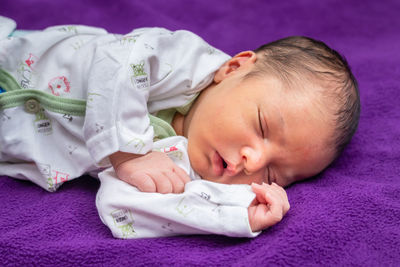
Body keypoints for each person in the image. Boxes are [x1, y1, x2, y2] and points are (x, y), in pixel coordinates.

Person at [0, 16, 360, 238]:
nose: (252, 161)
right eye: (262, 126)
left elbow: (121, 208)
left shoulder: (186, 172)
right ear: (233, 68)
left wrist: (235, 213)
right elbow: (119, 58)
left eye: (274, 174)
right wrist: (129, 151)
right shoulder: (184, 62)